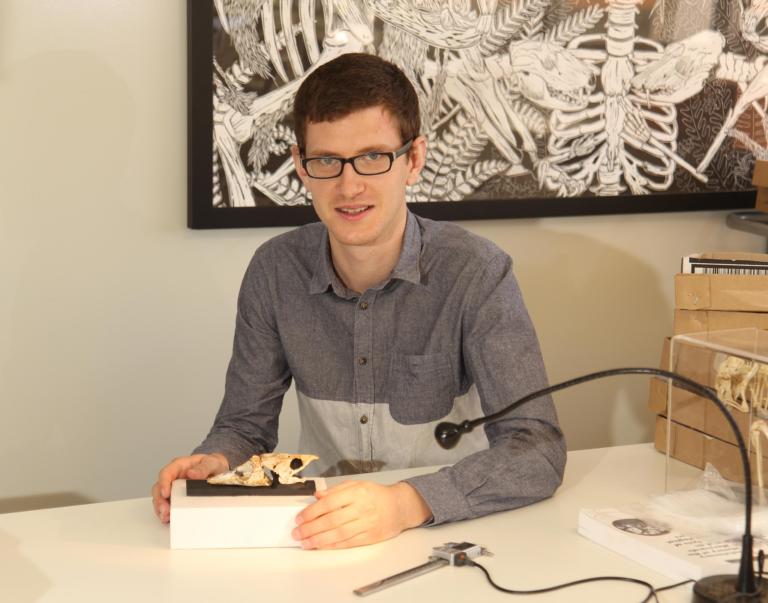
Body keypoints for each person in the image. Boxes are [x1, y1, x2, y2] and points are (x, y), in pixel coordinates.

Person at [152, 52, 566, 549]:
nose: (349, 187)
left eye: (373, 157)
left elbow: (536, 448)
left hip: (454, 529)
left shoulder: (477, 271)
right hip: (326, 531)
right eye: (326, 161)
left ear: (413, 160)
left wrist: (405, 503)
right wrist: (213, 463)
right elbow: (244, 427)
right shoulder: (274, 271)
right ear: (301, 167)